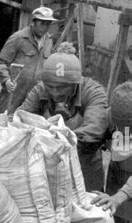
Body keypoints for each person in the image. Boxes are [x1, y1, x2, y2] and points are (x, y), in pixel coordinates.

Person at [18, 51, 110, 192]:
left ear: (75, 83)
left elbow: (93, 130)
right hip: (46, 170)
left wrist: (51, 143)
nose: (55, 93)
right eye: (50, 86)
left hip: (85, 168)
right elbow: (20, 120)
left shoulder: (93, 92)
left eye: (62, 87)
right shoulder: (40, 90)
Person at [0, 6, 57, 116]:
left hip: (34, 94)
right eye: (42, 23)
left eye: (48, 24)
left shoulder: (49, 40)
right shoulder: (18, 38)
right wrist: (6, 80)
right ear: (33, 22)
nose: (45, 27)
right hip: (14, 92)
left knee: (26, 123)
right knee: (3, 119)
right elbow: (1, 62)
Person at [90, 80, 132, 223]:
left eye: (128, 126)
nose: (123, 129)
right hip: (119, 169)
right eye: (119, 125)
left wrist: (118, 198)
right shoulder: (109, 115)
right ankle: (122, 221)